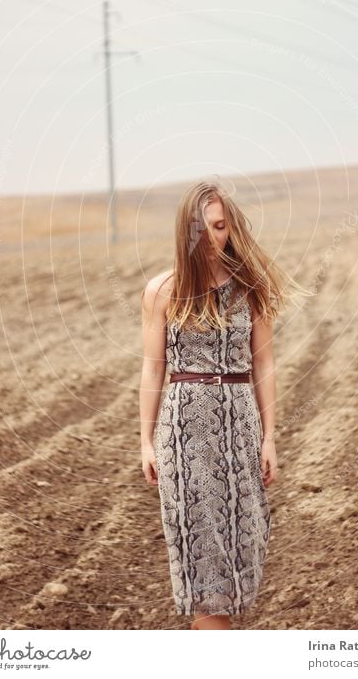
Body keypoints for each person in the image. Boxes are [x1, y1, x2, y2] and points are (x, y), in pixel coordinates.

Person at [139, 180, 299, 630]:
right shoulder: (162, 292)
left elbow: (264, 363)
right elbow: (153, 370)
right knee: (204, 568)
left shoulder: (250, 288)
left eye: (220, 226)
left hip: (240, 428)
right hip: (184, 436)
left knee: (241, 552)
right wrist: (146, 442)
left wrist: (269, 437)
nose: (213, 237)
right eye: (203, 228)